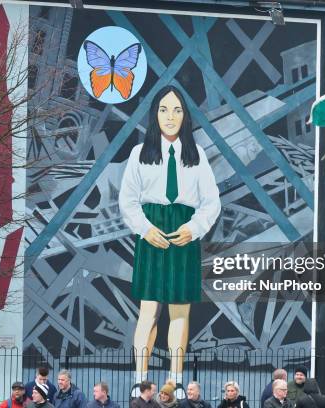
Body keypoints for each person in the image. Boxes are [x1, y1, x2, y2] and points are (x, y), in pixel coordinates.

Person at [119, 85, 221, 397]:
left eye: (177, 110)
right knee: (148, 310)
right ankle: (140, 380)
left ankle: (175, 380)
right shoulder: (140, 154)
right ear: (155, 114)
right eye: (164, 109)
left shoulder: (197, 155)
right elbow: (127, 201)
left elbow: (212, 202)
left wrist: (195, 228)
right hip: (152, 232)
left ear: (186, 116)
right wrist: (144, 228)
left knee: (180, 311)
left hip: (183, 234)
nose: (170, 116)